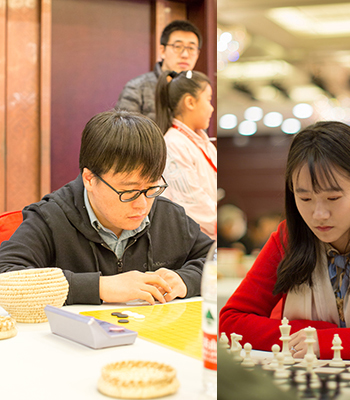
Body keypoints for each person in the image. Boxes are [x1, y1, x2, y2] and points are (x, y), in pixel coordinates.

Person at [219, 121, 350, 361]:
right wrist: (315, 336)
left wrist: (331, 340)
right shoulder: (289, 238)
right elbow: (231, 321)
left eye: (333, 198)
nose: (319, 214)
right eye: (305, 198)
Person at [0, 111, 213, 305]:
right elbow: (6, 277)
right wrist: (100, 287)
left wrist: (186, 279)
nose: (142, 205)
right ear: (89, 179)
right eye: (128, 192)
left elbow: (216, 258)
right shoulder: (50, 218)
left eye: (151, 188)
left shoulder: (169, 216)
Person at [155, 70, 217, 239]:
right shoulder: (173, 144)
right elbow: (192, 203)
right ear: (190, 102)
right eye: (208, 99)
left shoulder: (205, 144)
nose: (212, 108)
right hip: (192, 239)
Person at [116, 20, 202, 120]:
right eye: (178, 47)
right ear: (162, 51)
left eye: (191, 48)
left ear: (197, 54)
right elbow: (123, 128)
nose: (185, 55)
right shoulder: (137, 88)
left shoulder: (199, 89)